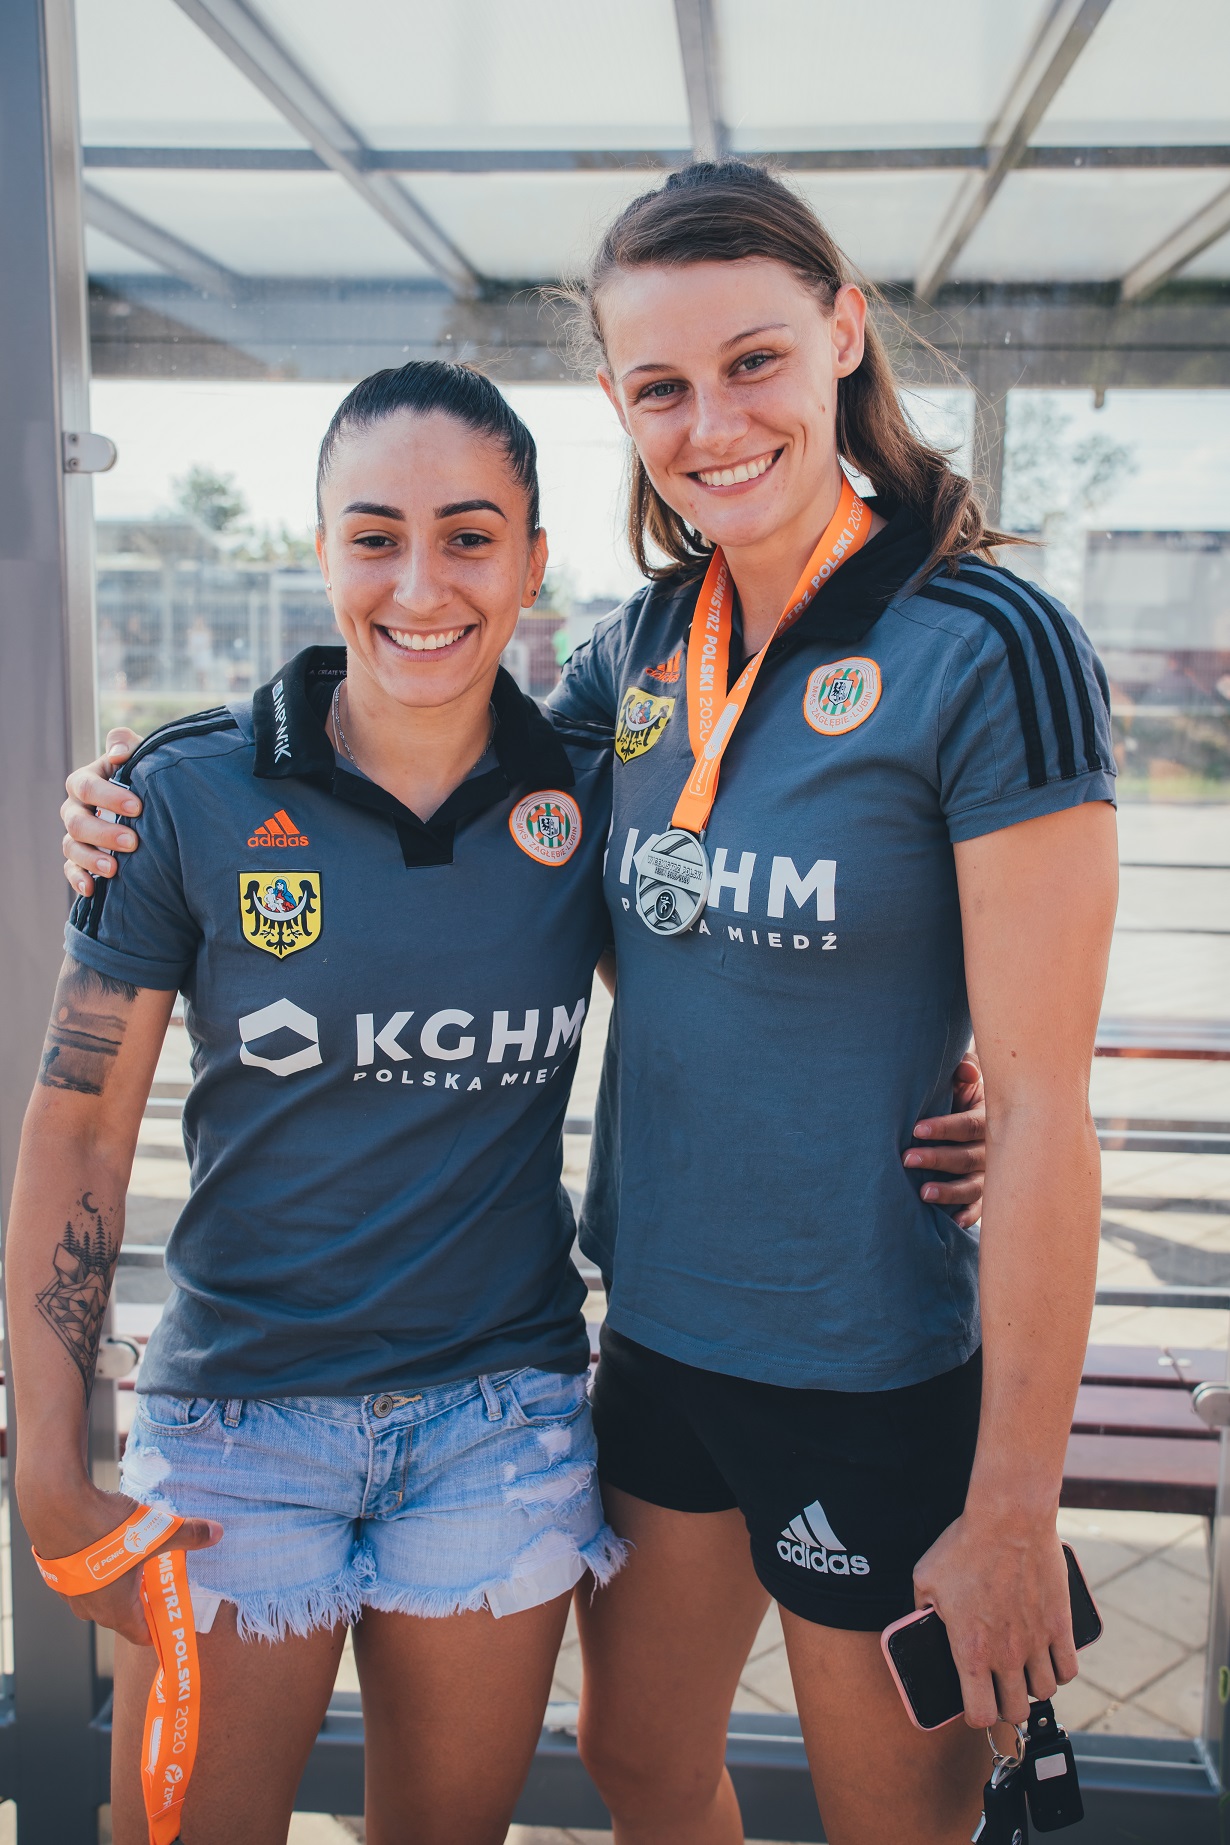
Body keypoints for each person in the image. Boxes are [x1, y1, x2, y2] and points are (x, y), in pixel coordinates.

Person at [535, 162, 1116, 1845]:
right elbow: (458, 835)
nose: (711, 422)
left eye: (753, 361)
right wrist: (171, 787)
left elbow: (1045, 1104)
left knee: (896, 1827)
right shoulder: (636, 647)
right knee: (636, 1760)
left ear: (843, 334)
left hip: (870, 1361)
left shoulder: (985, 642)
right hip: (658, 1329)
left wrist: (1012, 1504)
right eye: (660, 385)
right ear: (616, 403)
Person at [8, 362, 630, 1845]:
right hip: (236, 1425)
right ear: (321, 549)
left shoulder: (597, 794)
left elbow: (744, 984)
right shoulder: (180, 793)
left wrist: (958, 1081)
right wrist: (47, 1461)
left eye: (469, 537)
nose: (420, 584)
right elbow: (79, 1126)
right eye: (375, 536)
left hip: (501, 1422)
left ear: (535, 560)